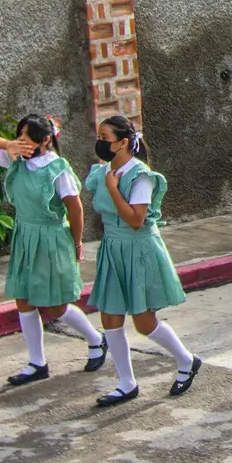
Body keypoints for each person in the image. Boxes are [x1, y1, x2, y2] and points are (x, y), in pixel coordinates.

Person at [0, 115, 105, 387]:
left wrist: (77, 243)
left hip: (51, 237)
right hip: (25, 235)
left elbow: (75, 209)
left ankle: (96, 340)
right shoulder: (16, 158)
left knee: (54, 305)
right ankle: (37, 363)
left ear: (46, 139)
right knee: (23, 300)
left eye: (28, 136)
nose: (22, 141)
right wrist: (8, 144)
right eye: (19, 135)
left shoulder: (57, 169)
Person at [85, 116, 200, 407]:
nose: (100, 142)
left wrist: (113, 189)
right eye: (99, 136)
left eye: (105, 137)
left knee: (144, 322)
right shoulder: (101, 172)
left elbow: (136, 220)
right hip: (113, 248)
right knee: (109, 316)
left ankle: (186, 360)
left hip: (138, 249)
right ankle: (126, 383)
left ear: (123, 142)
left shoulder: (141, 175)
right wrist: (108, 184)